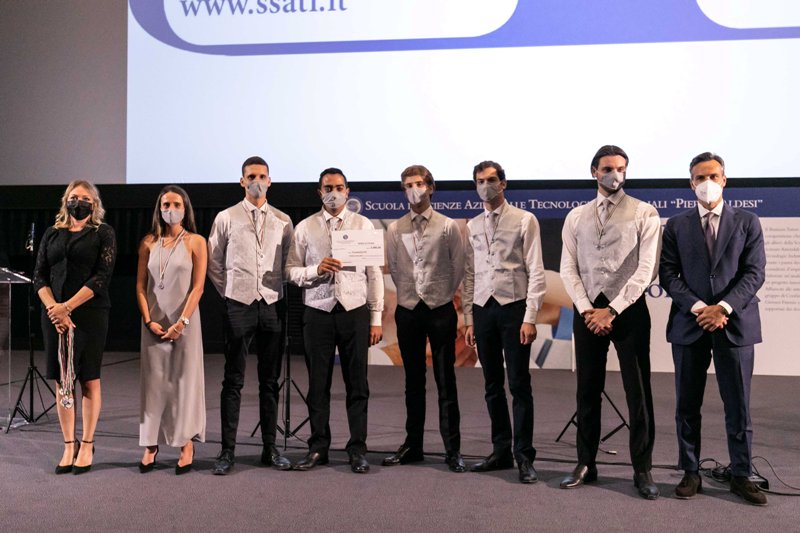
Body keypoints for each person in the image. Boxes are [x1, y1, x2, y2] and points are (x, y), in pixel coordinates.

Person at [660, 152, 767, 506]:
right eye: (700, 177)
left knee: (739, 405)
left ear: (724, 180)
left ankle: (741, 474)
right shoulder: (676, 225)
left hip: (734, 324)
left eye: (713, 176)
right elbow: (668, 275)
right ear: (691, 183)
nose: (707, 183)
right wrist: (698, 308)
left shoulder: (748, 221)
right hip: (689, 324)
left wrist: (722, 308)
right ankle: (690, 471)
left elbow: (754, 273)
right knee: (686, 404)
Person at [558, 145, 661, 499]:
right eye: (607, 168)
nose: (614, 174)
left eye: (620, 168)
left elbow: (647, 269)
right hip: (588, 313)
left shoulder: (645, 212)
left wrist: (612, 309)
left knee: (638, 391)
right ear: (594, 171)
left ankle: (642, 469)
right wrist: (587, 309)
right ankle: (585, 463)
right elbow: (568, 268)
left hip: (628, 311)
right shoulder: (576, 217)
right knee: (587, 389)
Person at [286, 168, 383, 474]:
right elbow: (290, 270)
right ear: (319, 192)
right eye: (328, 188)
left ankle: (357, 449)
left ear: (348, 191)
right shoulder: (305, 227)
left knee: (358, 384)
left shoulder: (363, 224)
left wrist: (376, 318)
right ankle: (318, 447)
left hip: (354, 310)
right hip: (318, 311)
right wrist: (315, 270)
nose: (334, 193)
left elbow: (374, 274)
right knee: (318, 385)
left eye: (339, 187)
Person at [207, 156, 294, 475]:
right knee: (233, 379)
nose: (257, 181)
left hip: (272, 304)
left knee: (270, 381)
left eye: (262, 176)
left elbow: (288, 263)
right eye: (251, 176)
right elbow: (214, 261)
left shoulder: (283, 220)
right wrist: (230, 291)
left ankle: (270, 448)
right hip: (238, 305)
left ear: (270, 181)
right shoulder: (226, 217)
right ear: (242, 181)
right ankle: (227, 451)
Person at [462, 160, 546, 484]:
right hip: (483, 309)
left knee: (519, 384)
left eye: (491, 179)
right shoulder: (471, 225)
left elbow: (536, 270)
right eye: (480, 181)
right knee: (491, 385)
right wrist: (469, 319)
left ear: (504, 183)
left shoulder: (524, 219)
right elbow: (470, 273)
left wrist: (531, 316)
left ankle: (524, 456)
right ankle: (500, 451)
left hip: (514, 308)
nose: (486, 186)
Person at [383, 165, 466, 472]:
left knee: (446, 381)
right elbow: (394, 267)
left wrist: (441, 293)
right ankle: (413, 445)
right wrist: (410, 294)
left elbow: (458, 267)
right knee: (413, 382)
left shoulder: (447, 226)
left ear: (430, 187)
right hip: (408, 310)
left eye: (418, 183)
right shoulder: (395, 228)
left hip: (440, 309)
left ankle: (452, 449)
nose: (413, 189)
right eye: (408, 185)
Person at [33, 180, 116, 474]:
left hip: (90, 313)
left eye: (84, 198)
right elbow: (39, 275)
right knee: (62, 380)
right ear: (65, 201)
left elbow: (102, 276)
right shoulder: (52, 233)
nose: (78, 202)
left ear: (94, 204)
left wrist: (67, 307)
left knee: (89, 378)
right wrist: (54, 309)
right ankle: (69, 444)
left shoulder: (103, 233)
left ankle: (88, 443)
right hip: (54, 317)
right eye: (73, 197)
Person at [136, 185, 207, 475]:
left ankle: (186, 444)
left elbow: (198, 287)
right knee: (154, 384)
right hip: (153, 323)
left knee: (183, 382)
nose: (171, 209)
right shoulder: (148, 242)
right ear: (159, 208)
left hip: (185, 323)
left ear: (185, 208)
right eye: (166, 204)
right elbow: (140, 286)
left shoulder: (196, 241)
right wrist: (147, 320)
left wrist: (182, 322)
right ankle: (150, 444)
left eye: (176, 204)